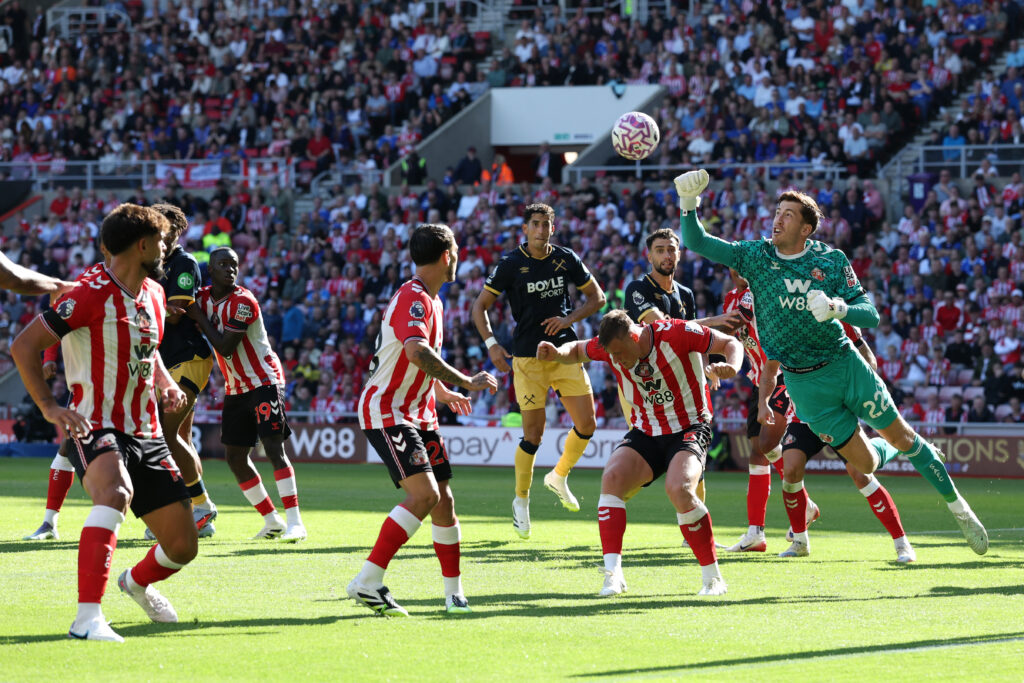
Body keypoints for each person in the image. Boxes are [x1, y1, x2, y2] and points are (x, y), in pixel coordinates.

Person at [677, 169, 988, 555]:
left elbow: (870, 314)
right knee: (869, 463)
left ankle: (961, 511)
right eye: (778, 211)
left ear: (806, 228)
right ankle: (902, 450)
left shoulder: (831, 259)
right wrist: (689, 205)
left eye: (788, 214)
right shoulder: (755, 256)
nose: (778, 218)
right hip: (805, 388)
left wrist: (838, 308)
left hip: (844, 366)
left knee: (904, 437)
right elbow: (697, 240)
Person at [11, 204, 199, 642]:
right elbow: (24, 346)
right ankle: (87, 618)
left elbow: (147, 352)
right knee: (114, 493)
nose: (167, 248)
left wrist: (166, 384)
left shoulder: (153, 292)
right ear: (143, 244)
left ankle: (135, 583)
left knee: (183, 547)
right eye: (162, 240)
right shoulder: (89, 293)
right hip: (94, 422)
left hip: (146, 429)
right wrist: (48, 406)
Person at [537, 310, 743, 596]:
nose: (618, 360)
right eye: (613, 355)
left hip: (690, 426)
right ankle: (613, 575)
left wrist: (731, 366)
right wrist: (556, 352)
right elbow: (577, 349)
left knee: (679, 489)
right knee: (612, 478)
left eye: (621, 352)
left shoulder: (675, 333)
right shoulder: (610, 347)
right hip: (647, 430)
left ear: (633, 335)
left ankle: (713, 578)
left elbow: (731, 343)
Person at [349, 223, 498, 616]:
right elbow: (415, 352)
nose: (460, 257)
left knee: (444, 500)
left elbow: (411, 361)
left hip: (420, 412)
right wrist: (466, 380)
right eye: (457, 251)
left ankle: (454, 594)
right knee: (424, 496)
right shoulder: (413, 299)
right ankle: (367, 581)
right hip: (389, 410)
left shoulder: (434, 300)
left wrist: (443, 392)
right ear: (447, 255)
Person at [472, 202, 606, 539]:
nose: (541, 230)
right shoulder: (511, 264)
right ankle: (521, 501)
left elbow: (597, 298)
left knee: (587, 424)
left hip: (565, 353)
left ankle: (558, 475)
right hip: (528, 359)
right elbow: (480, 307)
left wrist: (568, 319)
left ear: (553, 228)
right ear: (525, 229)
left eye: (547, 224)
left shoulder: (566, 258)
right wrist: (491, 344)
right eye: (536, 224)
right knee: (534, 435)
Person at [185, 247, 306, 541]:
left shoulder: (243, 301)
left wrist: (197, 316)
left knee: (274, 449)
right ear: (209, 270)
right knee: (236, 457)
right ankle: (271, 519)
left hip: (264, 381)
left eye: (234, 265)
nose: (230, 269)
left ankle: (295, 522)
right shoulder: (201, 298)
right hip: (236, 387)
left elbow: (225, 347)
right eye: (223, 264)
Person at [623, 229, 744, 504]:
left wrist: (704, 373)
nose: (667, 255)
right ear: (649, 254)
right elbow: (666, 328)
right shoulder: (637, 290)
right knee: (637, 470)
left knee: (694, 456)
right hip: (643, 385)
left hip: (681, 384)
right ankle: (615, 498)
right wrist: (717, 320)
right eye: (660, 249)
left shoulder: (685, 294)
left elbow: (692, 341)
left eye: (671, 249)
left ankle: (696, 516)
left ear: (679, 254)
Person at [720, 268, 820, 553]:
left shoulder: (757, 294)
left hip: (779, 376)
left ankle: (796, 509)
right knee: (757, 452)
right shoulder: (731, 297)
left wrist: (685, 328)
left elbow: (730, 325)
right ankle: (757, 533)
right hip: (757, 380)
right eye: (734, 265)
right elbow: (734, 339)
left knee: (765, 445)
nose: (740, 270)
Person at [150, 204, 218, 538]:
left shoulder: (184, 263)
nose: (164, 233)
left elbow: (177, 315)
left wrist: (150, 308)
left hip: (188, 355)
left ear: (178, 231)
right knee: (181, 437)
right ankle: (189, 512)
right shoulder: (150, 264)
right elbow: (164, 309)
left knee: (166, 433)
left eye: (169, 228)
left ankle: (201, 505)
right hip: (163, 360)